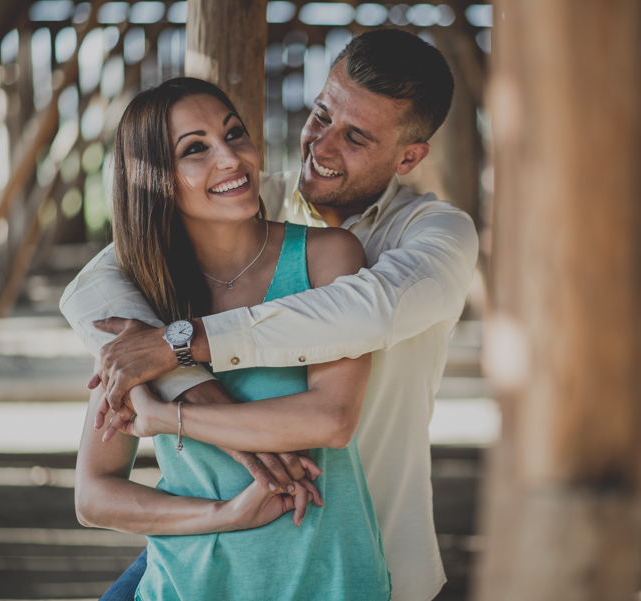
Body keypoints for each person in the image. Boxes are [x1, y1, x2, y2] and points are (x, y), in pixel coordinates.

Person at [61, 29, 479, 601]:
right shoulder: (242, 201)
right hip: (205, 556)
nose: (321, 146)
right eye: (322, 115)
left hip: (358, 549)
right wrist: (188, 386)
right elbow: (96, 286)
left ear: (408, 156)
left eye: (355, 136)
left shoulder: (434, 234)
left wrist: (179, 351)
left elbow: (365, 313)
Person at [74, 76, 391, 600]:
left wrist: (166, 418)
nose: (231, 157)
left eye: (234, 134)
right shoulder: (141, 300)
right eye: (195, 149)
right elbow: (94, 495)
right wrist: (224, 515)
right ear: (154, 178)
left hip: (326, 577)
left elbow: (331, 420)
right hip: (187, 583)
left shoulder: (327, 256)